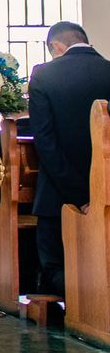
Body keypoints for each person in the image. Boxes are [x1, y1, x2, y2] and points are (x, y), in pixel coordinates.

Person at [28, 21, 110, 296]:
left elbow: (45, 143)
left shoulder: (44, 76)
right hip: (108, 194)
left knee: (55, 269)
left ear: (55, 46)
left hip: (57, 198)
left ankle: (80, 303)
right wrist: (98, 194)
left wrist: (80, 196)